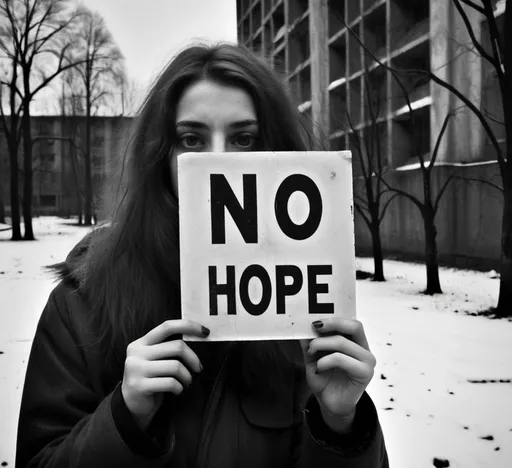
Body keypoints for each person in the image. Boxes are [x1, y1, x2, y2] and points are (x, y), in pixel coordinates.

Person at [15, 43, 389, 467]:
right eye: (191, 139)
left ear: (277, 152)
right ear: (161, 156)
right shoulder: (83, 299)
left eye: (243, 139)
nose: (216, 159)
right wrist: (124, 417)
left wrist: (340, 424)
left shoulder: (303, 302)